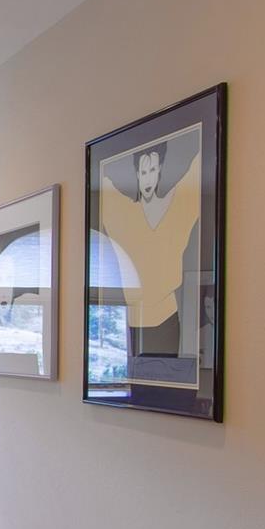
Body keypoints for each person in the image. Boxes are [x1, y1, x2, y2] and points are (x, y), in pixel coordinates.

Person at [100, 138, 202, 364]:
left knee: (165, 382)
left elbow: (199, 165)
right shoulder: (125, 215)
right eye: (143, 171)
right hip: (134, 321)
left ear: (160, 171)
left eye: (153, 169)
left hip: (167, 317)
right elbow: (100, 178)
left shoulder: (178, 206)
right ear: (136, 174)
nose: (148, 177)